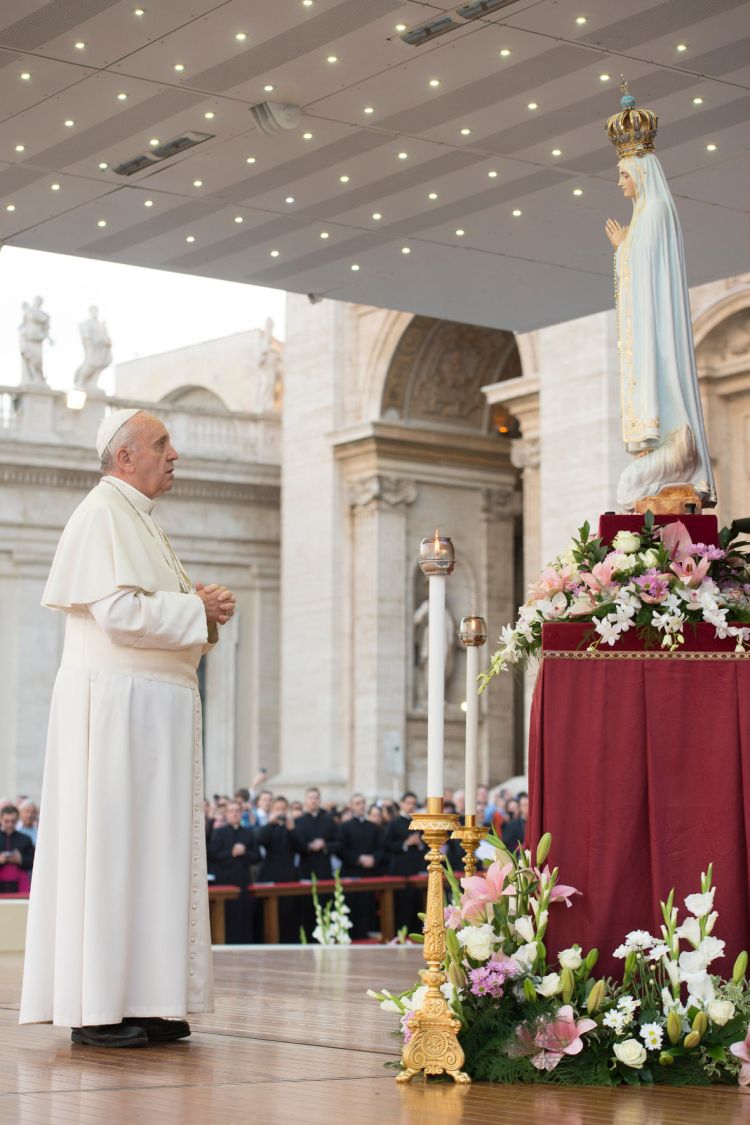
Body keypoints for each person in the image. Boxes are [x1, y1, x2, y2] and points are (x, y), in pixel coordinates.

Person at [20, 407, 236, 1049]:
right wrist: (194, 607)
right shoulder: (101, 514)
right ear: (124, 457)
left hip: (152, 712)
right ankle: (96, 1007)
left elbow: (153, 608)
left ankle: (148, 998)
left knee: (154, 856)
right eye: (162, 444)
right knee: (113, 851)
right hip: (116, 713)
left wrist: (202, 609)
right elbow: (117, 612)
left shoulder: (139, 521)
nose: (175, 454)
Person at [604, 81, 716, 512]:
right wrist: (626, 247)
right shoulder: (649, 216)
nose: (620, 183)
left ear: (641, 175)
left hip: (654, 328)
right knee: (633, 489)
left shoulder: (652, 214)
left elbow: (645, 271)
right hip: (652, 319)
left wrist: (622, 249)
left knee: (631, 488)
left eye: (623, 175)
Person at [208, 800, 260, 943]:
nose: (235, 813)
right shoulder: (219, 833)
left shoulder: (248, 833)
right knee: (224, 913)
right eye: (231, 811)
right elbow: (212, 854)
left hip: (243, 879)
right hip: (224, 879)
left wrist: (244, 852)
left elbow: (257, 857)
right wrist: (231, 853)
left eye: (237, 810)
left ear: (241, 813)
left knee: (243, 912)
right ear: (226, 814)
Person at [295, 786, 340, 938]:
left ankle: (327, 935)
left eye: (316, 798)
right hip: (306, 867)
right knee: (306, 905)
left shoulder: (328, 820)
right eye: (310, 798)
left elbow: (338, 842)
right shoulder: (299, 821)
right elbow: (295, 844)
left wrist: (324, 845)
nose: (313, 801)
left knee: (325, 902)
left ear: (319, 800)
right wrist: (308, 846)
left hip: (324, 867)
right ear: (306, 800)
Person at [256, 796, 302, 942]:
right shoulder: (269, 827)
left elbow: (302, 847)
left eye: (283, 809)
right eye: (278, 809)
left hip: (289, 874)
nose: (281, 812)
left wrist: (292, 829)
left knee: (289, 911)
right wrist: (271, 823)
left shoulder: (293, 827)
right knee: (270, 911)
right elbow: (260, 840)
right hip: (270, 874)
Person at [339, 793, 385, 939]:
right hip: (351, 872)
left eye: (363, 803)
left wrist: (373, 858)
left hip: (369, 873)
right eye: (357, 803)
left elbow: (382, 848)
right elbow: (341, 849)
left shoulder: (373, 827)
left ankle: (367, 934)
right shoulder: (345, 827)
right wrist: (358, 859)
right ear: (351, 806)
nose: (361, 806)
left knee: (368, 906)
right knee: (352, 906)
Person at [384, 792, 426, 935]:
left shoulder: (419, 823)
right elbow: (387, 845)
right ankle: (402, 934)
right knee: (402, 903)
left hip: (417, 868)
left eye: (413, 803)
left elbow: (426, 845)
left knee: (417, 903)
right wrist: (406, 843)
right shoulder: (394, 823)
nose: (411, 806)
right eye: (408, 802)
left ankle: (418, 933)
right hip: (400, 869)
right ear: (402, 804)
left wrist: (419, 843)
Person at [0, 805, 35, 892]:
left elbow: (33, 861)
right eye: (6, 821)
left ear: (17, 820)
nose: (10, 824)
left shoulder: (25, 839)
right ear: (1, 819)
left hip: (20, 884)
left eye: (13, 821)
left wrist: (20, 859)